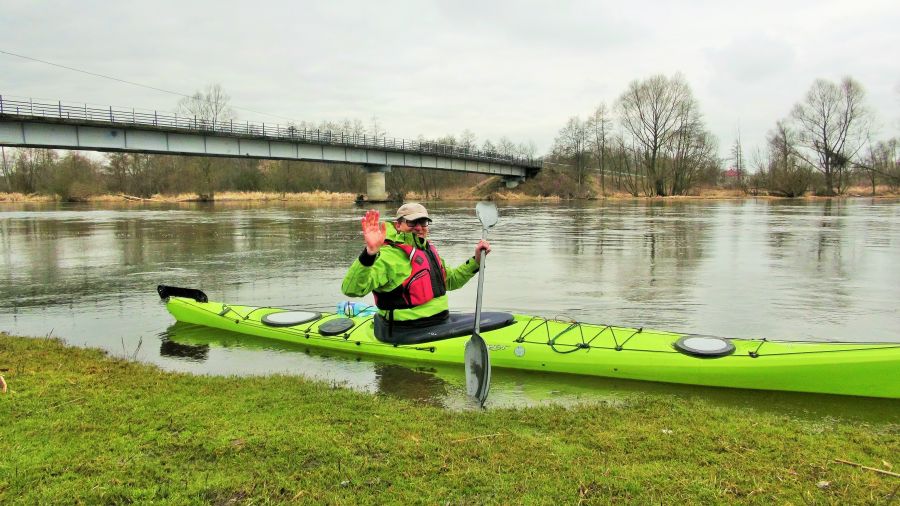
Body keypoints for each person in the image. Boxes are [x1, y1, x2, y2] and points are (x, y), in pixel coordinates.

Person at [341, 203, 491, 331]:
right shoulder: (387, 256)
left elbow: (451, 281)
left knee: (503, 319)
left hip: (439, 321)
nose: (419, 227)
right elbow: (352, 290)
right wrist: (370, 253)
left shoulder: (427, 249)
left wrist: (476, 260)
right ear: (398, 225)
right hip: (408, 329)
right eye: (412, 223)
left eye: (423, 222)